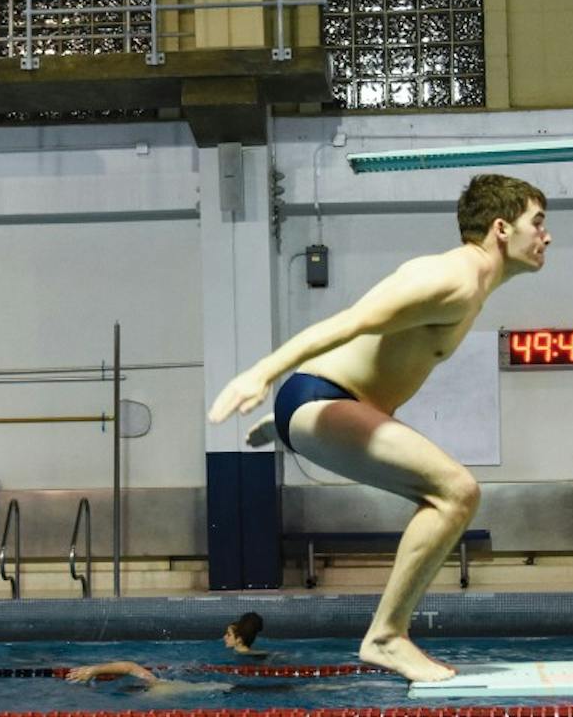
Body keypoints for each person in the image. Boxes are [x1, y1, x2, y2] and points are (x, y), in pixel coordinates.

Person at [208, 174, 552, 683]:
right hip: (321, 398)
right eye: (537, 222)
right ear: (501, 228)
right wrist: (261, 372)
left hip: (335, 405)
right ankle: (386, 636)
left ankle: (283, 427)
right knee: (455, 492)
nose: (546, 236)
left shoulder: (474, 286)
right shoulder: (449, 278)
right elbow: (349, 322)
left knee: (450, 490)